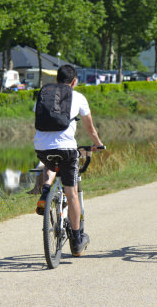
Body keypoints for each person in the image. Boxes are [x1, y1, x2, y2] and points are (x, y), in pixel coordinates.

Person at [34, 64, 103, 257]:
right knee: (71, 194)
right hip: (66, 150)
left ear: (57, 79)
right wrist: (98, 143)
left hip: (41, 147)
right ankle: (76, 240)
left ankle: (46, 191)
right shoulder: (78, 96)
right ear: (74, 82)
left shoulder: (45, 94)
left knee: (50, 164)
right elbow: (90, 129)